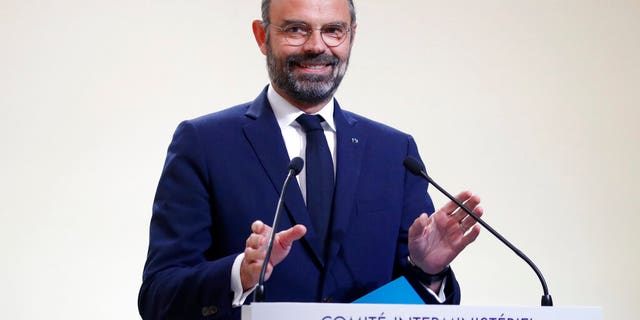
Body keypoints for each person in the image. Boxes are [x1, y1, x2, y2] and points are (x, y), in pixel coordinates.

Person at [138, 0, 484, 319]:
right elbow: (158, 296)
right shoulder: (204, 143)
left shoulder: (395, 151)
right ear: (262, 36)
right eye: (295, 29)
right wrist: (239, 273)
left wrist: (428, 271)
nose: (316, 46)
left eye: (333, 30)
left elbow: (411, 302)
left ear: (352, 36)